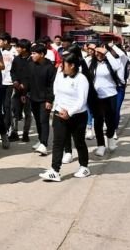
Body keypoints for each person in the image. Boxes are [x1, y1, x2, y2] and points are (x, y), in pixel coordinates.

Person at [39, 52, 91, 182]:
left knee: (79, 142)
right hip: (60, 113)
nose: (61, 66)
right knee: (58, 142)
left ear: (72, 65)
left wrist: (70, 112)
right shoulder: (61, 75)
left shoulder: (82, 79)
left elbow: (82, 100)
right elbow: (56, 90)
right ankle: (55, 170)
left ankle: (84, 167)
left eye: (64, 64)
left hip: (77, 115)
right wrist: (56, 107)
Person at [29, 43, 57, 156]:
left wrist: (49, 100)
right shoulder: (31, 64)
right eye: (31, 53)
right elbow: (28, 80)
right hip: (33, 97)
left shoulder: (50, 68)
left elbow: (52, 85)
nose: (32, 55)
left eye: (34, 53)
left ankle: (44, 145)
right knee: (38, 121)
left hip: (45, 99)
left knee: (44, 121)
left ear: (42, 54)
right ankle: (41, 140)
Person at [10, 39, 33, 142]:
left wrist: (26, 85)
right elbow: (12, 71)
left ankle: (25, 133)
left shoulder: (32, 60)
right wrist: (15, 81)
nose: (17, 49)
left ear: (24, 49)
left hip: (29, 92)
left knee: (27, 113)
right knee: (14, 111)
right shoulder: (16, 59)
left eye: (19, 47)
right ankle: (14, 132)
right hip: (17, 89)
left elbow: (34, 76)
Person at [0, 33, 15, 140]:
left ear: (6, 41)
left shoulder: (14, 52)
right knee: (2, 106)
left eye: (0, 41)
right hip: (0, 81)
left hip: (10, 82)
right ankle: (3, 126)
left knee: (8, 106)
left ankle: (8, 128)